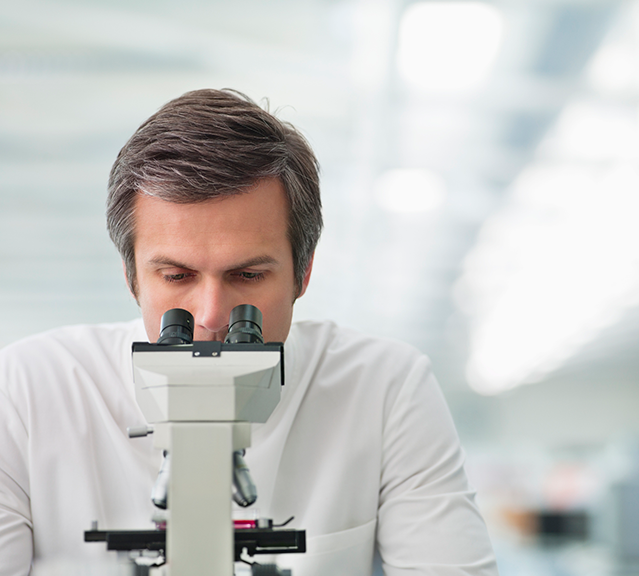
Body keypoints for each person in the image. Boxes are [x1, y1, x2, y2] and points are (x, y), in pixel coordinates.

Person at [0, 89, 499, 576]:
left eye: (248, 275)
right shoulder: (25, 390)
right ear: (131, 277)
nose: (211, 314)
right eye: (176, 276)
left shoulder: (386, 389)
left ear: (303, 273)